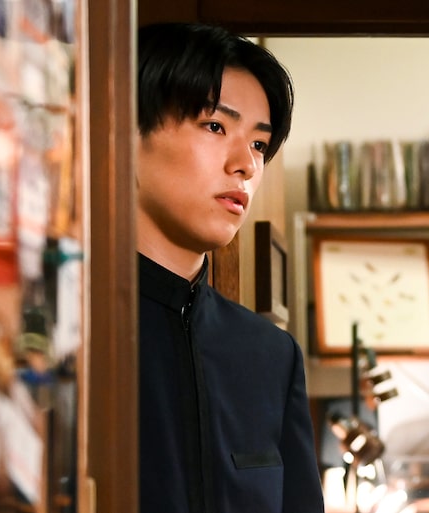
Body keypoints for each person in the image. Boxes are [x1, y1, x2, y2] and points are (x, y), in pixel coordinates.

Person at [136, 23, 325, 513]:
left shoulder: (271, 355)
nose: (247, 165)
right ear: (127, 135)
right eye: (216, 126)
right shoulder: (72, 328)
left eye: (259, 144)